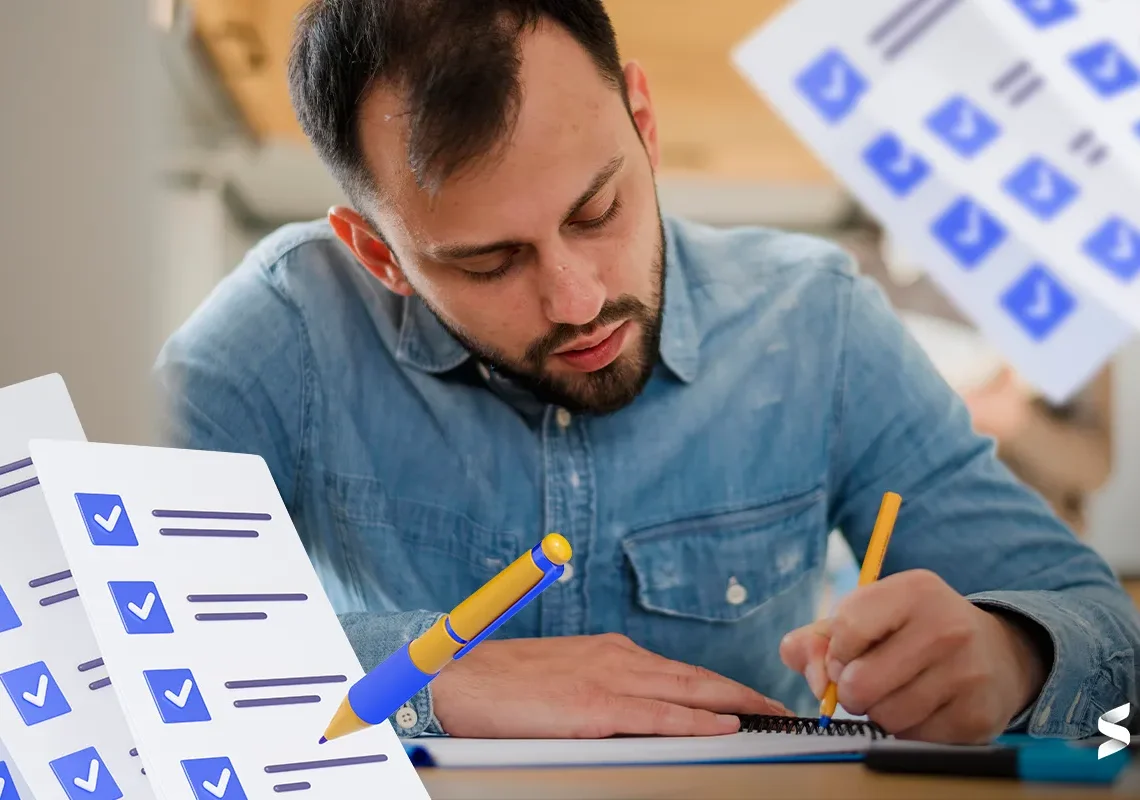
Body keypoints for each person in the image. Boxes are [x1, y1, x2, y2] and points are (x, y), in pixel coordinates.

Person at [153, 0, 1139, 744]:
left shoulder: (816, 323)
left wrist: (1015, 655)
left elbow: (1116, 655)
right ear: (379, 254)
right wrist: (428, 679)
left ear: (643, 122)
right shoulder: (284, 329)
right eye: (490, 261)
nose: (579, 298)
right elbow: (68, 621)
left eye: (598, 211)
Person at [835, 210, 1115, 537]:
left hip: (1021, 544)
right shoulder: (855, 272)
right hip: (886, 536)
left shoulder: (1068, 303)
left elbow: (1094, 468)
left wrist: (1014, 420)